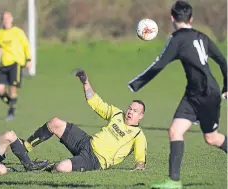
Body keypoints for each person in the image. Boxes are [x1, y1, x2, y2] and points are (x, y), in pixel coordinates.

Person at [127, 1, 227, 188]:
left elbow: (159, 64)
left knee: (212, 138)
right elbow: (223, 61)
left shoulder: (177, 39)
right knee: (176, 131)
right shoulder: (202, 36)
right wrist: (226, 86)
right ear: (191, 19)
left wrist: (136, 84)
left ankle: (174, 181)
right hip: (196, 93)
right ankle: (174, 181)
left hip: (205, 94)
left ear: (172, 18)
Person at [23, 69, 147, 172]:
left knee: (62, 167)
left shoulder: (138, 135)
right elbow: (96, 102)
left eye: (135, 111)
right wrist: (85, 82)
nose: (130, 112)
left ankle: (46, 167)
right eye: (130, 108)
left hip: (94, 160)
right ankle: (25, 147)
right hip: (86, 142)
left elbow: (140, 159)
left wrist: (139, 167)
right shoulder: (117, 114)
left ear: (141, 116)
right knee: (55, 122)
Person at [0, 11, 32, 121]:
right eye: (4, 18)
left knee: (12, 89)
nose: (6, 20)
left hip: (16, 63)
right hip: (4, 64)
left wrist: (28, 60)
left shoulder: (18, 32)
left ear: (11, 19)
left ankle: (11, 111)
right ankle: (12, 104)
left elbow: (26, 46)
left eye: (7, 18)